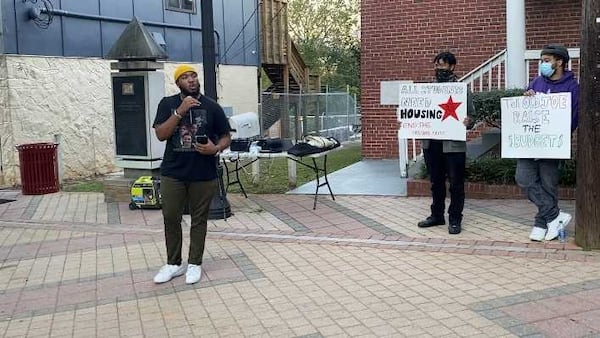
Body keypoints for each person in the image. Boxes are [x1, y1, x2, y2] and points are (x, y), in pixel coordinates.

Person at [152, 64, 231, 284]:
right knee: (171, 217)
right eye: (185, 77)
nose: (191, 80)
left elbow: (226, 136)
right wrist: (180, 112)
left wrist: (215, 149)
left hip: (203, 173)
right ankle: (173, 264)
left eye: (193, 76)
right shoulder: (167, 104)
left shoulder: (212, 107)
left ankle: (194, 263)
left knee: (199, 220)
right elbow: (161, 134)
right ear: (178, 83)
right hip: (173, 172)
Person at [517, 44, 579, 242]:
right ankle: (555, 216)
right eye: (541, 61)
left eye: (546, 61)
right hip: (530, 142)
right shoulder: (535, 82)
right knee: (523, 178)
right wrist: (526, 98)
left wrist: (557, 135)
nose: (542, 65)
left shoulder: (572, 87)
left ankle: (541, 223)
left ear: (559, 62)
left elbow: (574, 117)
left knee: (548, 184)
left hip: (553, 144)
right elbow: (524, 112)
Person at [417, 51, 474, 235]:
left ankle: (455, 219)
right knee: (436, 182)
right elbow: (419, 112)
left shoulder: (461, 89)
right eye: (436, 65)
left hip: (453, 144)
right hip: (432, 143)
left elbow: (471, 114)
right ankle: (437, 215)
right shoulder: (428, 89)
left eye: (441, 65)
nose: (438, 68)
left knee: (456, 183)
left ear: (451, 67)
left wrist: (468, 121)